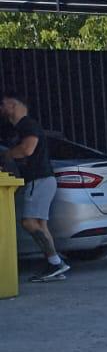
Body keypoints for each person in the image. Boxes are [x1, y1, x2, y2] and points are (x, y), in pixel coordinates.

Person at [2, 91, 68, 282]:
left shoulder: (27, 125)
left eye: (3, 104)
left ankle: (56, 263)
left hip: (38, 179)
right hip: (44, 180)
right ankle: (54, 266)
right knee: (40, 224)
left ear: (13, 104)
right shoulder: (22, 126)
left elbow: (27, 149)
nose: (1, 108)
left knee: (28, 222)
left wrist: (7, 156)